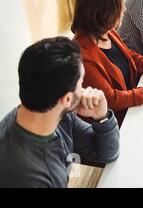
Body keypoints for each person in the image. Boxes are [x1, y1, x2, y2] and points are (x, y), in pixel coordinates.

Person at [0, 37, 120, 187]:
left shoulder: (55, 114)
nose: (83, 89)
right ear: (67, 99)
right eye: (81, 82)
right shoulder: (25, 176)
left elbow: (106, 154)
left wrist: (102, 117)